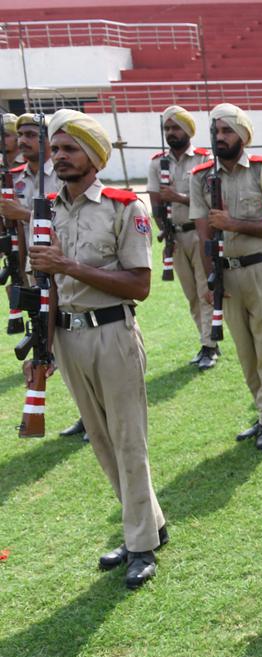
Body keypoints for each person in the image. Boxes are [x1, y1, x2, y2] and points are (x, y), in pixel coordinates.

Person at [29, 110, 166, 589]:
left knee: (128, 440)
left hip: (112, 334)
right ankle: (147, 526)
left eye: (70, 148)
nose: (59, 157)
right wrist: (42, 350)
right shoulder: (46, 211)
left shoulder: (124, 207)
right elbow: (44, 286)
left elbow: (139, 284)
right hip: (67, 338)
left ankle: (141, 545)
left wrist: (68, 265)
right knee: (103, 442)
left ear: (94, 155)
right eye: (55, 149)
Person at [189, 103, 262, 451]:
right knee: (246, 352)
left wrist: (234, 224)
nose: (220, 137)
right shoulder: (200, 177)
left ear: (243, 135)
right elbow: (203, 234)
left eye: (227, 131)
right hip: (226, 275)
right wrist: (209, 280)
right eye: (216, 131)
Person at [3, 113, 84, 440]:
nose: (23, 140)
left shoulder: (65, 172)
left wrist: (21, 213)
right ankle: (85, 412)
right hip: (33, 269)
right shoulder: (17, 178)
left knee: (78, 341)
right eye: (20, 134)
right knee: (51, 344)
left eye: (31, 134)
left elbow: (67, 218)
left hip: (65, 266)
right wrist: (19, 272)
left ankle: (95, 413)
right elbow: (18, 231)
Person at [148, 106, 216, 369]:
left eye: (176, 127)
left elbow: (210, 200)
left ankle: (209, 345)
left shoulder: (203, 159)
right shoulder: (157, 163)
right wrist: (165, 232)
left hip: (199, 233)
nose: (171, 132)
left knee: (205, 290)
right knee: (191, 295)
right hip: (175, 237)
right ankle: (207, 340)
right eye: (167, 128)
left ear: (188, 130)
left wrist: (178, 197)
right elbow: (156, 204)